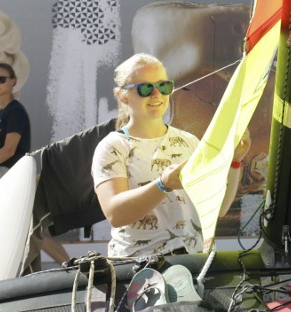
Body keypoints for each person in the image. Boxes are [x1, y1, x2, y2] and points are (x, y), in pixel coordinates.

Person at [91, 53, 250, 257]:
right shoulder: (113, 146)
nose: (157, 94)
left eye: (164, 86)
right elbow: (115, 214)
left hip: (194, 265)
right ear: (122, 95)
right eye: (146, 88)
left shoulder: (189, 141)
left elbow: (217, 209)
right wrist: (162, 185)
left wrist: (234, 162)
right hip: (140, 270)